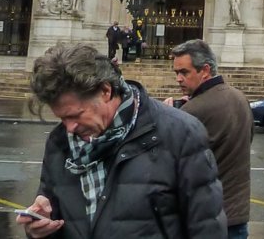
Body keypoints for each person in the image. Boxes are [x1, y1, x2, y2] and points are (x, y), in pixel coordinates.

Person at [17, 43, 225, 239]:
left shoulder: (180, 132)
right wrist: (39, 229)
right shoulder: (59, 142)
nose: (69, 127)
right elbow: (53, 212)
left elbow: (206, 227)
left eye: (76, 115)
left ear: (105, 91)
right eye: (62, 118)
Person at [167, 40, 252, 239]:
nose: (178, 79)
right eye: (176, 73)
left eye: (184, 72)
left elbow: (167, 158)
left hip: (205, 219)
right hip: (237, 215)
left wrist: (168, 117)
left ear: (205, 70)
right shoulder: (240, 97)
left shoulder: (192, 110)